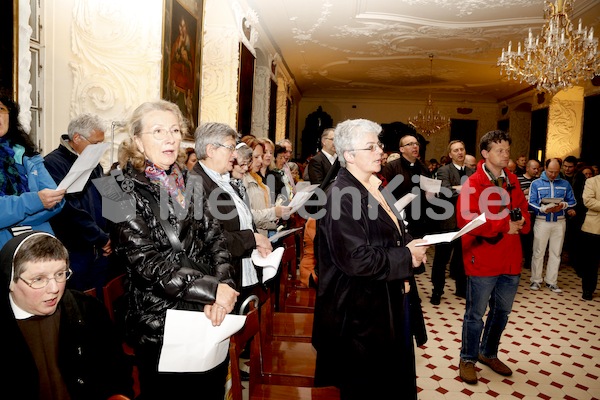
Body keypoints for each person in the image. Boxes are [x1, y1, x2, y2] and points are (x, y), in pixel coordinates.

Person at [109, 100, 239, 400]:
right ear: (137, 140)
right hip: (159, 321)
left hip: (207, 312)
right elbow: (145, 263)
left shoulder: (189, 179)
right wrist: (211, 290)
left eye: (175, 130)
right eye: (158, 131)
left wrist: (221, 290)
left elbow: (215, 239)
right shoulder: (112, 188)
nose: (170, 138)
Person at [312, 118, 428, 400]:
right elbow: (356, 259)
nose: (380, 151)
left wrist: (410, 243)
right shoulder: (341, 195)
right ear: (349, 156)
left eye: (379, 145)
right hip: (361, 316)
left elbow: (388, 233)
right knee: (369, 389)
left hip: (387, 303)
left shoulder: (374, 186)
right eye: (371, 147)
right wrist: (406, 256)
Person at [0, 231, 133, 400]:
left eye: (60, 274)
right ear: (10, 282)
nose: (54, 288)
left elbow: (117, 369)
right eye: (39, 279)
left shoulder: (87, 308)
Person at [456, 130, 530, 385]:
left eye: (508, 150)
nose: (506, 154)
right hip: (483, 257)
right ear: (485, 154)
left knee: (502, 312)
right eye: (500, 150)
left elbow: (522, 208)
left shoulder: (512, 180)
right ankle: (467, 358)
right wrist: (504, 226)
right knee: (475, 314)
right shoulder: (474, 183)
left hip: (510, 257)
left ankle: (488, 352)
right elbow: (467, 220)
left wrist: (521, 222)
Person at [190, 122, 272, 306]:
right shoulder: (196, 184)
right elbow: (208, 240)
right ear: (211, 150)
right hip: (214, 282)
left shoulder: (224, 181)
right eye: (231, 148)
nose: (235, 154)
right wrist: (252, 239)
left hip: (235, 272)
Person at [43, 113, 113, 297]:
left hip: (99, 250)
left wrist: (111, 236)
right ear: (76, 138)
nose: (99, 149)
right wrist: (101, 238)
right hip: (74, 252)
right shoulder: (53, 163)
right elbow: (68, 210)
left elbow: (110, 200)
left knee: (98, 304)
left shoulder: (94, 163)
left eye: (101, 144)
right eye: (95, 144)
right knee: (76, 303)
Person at [0, 92, 66, 249]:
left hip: (40, 248)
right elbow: (41, 200)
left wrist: (11, 216)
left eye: (1, 109)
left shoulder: (27, 156)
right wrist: (34, 203)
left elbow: (57, 201)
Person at [429, 140, 473, 305]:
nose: (460, 152)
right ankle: (437, 291)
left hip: (465, 222)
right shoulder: (443, 170)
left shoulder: (471, 171)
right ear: (450, 154)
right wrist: (464, 190)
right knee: (442, 258)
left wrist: (460, 189)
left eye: (462, 149)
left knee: (463, 257)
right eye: (456, 150)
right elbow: (446, 192)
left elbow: (476, 193)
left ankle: (461, 289)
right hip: (447, 222)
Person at [528, 158, 576, 293]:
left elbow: (572, 201)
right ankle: (536, 280)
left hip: (560, 221)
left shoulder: (565, 184)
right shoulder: (536, 183)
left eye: (555, 172)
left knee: (556, 252)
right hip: (542, 220)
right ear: (545, 168)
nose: (553, 175)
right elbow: (531, 202)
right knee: (538, 252)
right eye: (550, 171)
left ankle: (552, 281)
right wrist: (542, 209)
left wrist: (564, 205)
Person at [381, 133, 432, 239]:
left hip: (420, 219)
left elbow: (430, 191)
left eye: (416, 144)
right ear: (402, 149)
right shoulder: (392, 167)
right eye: (410, 144)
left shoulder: (424, 168)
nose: (415, 146)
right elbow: (385, 193)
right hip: (399, 217)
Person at [241, 135, 291, 237]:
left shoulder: (258, 180)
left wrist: (276, 219)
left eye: (270, 153)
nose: (261, 160)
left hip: (264, 235)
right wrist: (274, 213)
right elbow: (246, 216)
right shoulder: (242, 181)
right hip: (253, 239)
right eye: (256, 157)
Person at [577, 174, 600, 300]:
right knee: (590, 263)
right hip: (594, 228)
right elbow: (588, 201)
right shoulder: (592, 181)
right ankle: (588, 290)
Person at [517, 159, 540, 269]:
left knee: (533, 238)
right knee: (522, 239)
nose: (536, 170)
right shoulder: (518, 179)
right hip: (522, 214)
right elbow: (514, 195)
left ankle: (530, 261)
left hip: (536, 213)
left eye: (537, 168)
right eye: (534, 168)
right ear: (527, 168)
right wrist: (524, 192)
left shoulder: (539, 181)